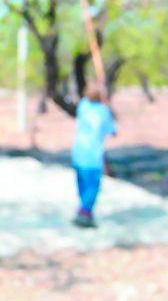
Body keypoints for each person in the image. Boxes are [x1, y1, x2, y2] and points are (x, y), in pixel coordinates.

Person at [71, 82, 117, 228]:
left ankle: (84, 210)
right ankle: (84, 213)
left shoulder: (82, 106)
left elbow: (86, 99)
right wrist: (108, 106)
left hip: (78, 153)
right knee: (92, 186)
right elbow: (112, 131)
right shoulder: (103, 112)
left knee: (83, 183)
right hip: (92, 155)